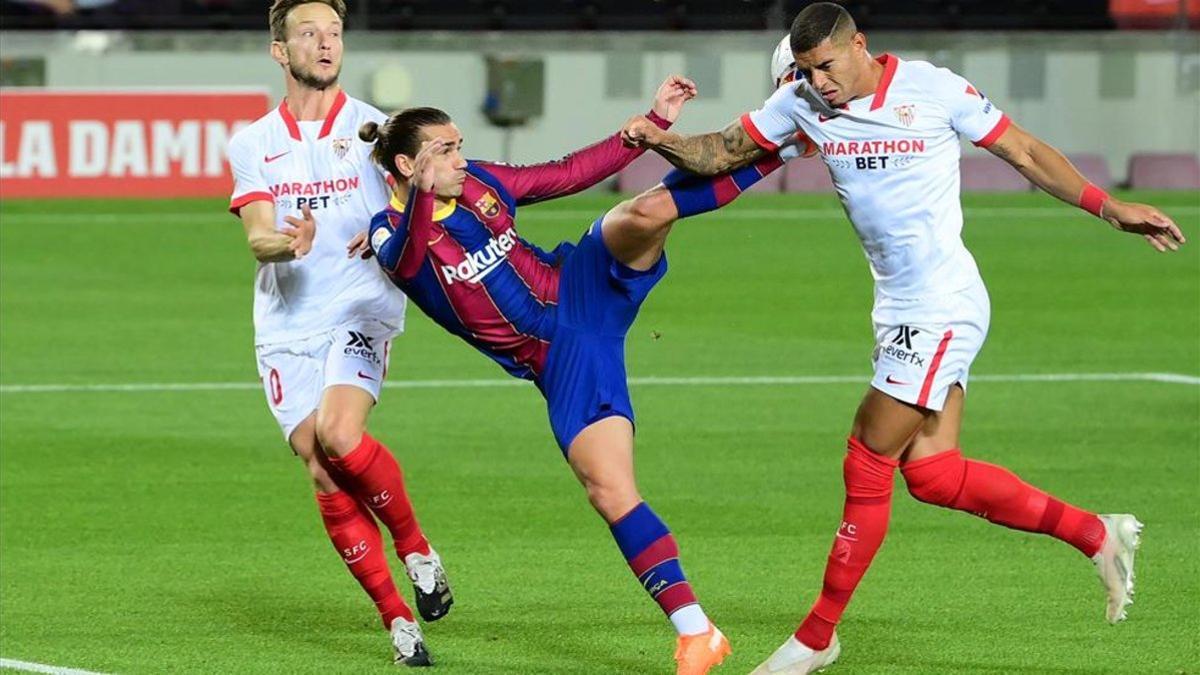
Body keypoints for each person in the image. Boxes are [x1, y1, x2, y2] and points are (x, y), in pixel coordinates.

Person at [623, 4, 1185, 673]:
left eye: (826, 66)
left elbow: (1024, 151)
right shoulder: (801, 102)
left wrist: (1108, 205)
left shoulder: (934, 88)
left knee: (867, 457)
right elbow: (719, 151)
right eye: (805, 71)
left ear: (859, 45)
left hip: (942, 305)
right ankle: (1096, 533)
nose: (818, 82)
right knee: (934, 473)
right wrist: (652, 134)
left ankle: (816, 635)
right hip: (898, 307)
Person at [353, 76, 749, 674]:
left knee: (643, 210)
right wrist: (419, 200)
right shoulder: (390, 232)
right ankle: (697, 634)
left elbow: (564, 174)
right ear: (408, 165)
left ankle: (784, 140)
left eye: (460, 146)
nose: (461, 161)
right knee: (610, 492)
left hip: (579, 283)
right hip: (562, 359)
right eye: (446, 152)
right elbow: (407, 262)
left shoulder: (481, 183)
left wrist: (651, 125)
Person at [225, 0, 451, 665]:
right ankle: (397, 620)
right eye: (309, 33)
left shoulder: (378, 132)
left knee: (341, 433)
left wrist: (395, 222)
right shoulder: (253, 142)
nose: (325, 44)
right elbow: (257, 236)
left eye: (334, 32)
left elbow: (431, 199)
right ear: (279, 51)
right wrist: (285, 244)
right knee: (323, 471)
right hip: (286, 321)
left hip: (360, 307)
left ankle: (416, 548)